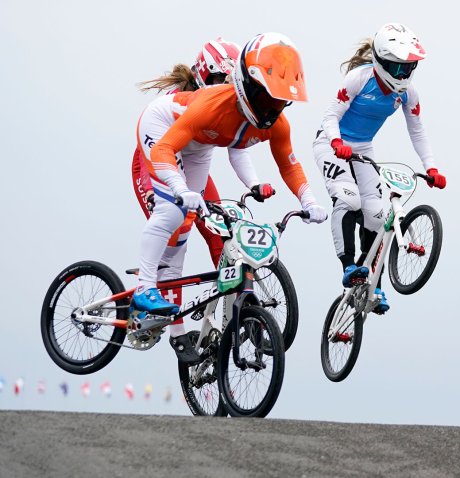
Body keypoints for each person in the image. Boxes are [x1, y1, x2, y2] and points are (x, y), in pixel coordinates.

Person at [132, 32, 327, 362]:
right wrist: (179, 190)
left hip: (199, 146)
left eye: (280, 102)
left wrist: (308, 201)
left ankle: (179, 319)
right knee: (173, 215)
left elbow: (289, 165)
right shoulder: (211, 105)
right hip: (162, 129)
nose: (274, 110)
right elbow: (165, 148)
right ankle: (143, 290)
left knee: (190, 225)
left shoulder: (275, 123)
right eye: (268, 100)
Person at [313, 23, 445, 314]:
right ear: (381, 62)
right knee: (349, 199)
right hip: (331, 144)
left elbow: (417, 131)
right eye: (398, 69)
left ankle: (371, 281)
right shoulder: (358, 79)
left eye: (409, 69)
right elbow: (330, 115)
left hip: (362, 150)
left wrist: (431, 168)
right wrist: (336, 141)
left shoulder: (408, 93)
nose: (403, 76)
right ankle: (348, 266)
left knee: (379, 215)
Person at [132, 38, 239, 315]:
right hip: (155, 158)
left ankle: (234, 313)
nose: (225, 89)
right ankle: (172, 325)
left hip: (190, 161)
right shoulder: (185, 102)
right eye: (219, 80)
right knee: (176, 224)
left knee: (221, 232)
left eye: (230, 82)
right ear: (204, 76)